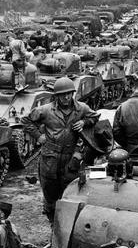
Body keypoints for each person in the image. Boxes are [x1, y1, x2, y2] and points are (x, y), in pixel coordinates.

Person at [21, 77, 99, 223]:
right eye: (62, 94)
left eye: (69, 93)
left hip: (71, 157)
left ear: (72, 94)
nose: (66, 97)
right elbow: (26, 120)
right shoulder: (46, 110)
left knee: (70, 189)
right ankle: (52, 221)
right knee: (50, 189)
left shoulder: (81, 108)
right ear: (56, 96)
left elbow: (95, 117)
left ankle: (67, 222)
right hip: (50, 156)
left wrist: (84, 121)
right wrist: (38, 136)